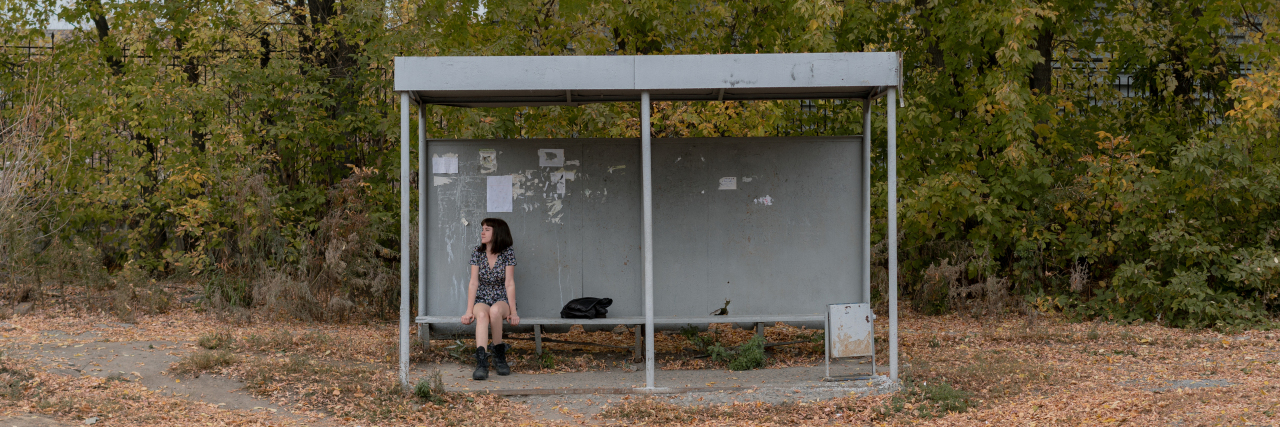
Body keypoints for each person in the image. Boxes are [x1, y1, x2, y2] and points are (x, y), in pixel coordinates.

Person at [460, 218, 520, 380]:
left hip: (501, 298)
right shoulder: (477, 253)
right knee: (481, 315)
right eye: (482, 229)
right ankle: (481, 362)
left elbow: (509, 283)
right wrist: (468, 311)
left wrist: (513, 312)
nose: (482, 232)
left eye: (487, 229)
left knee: (494, 311)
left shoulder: (508, 253)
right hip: (482, 297)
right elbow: (473, 283)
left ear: (498, 232)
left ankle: (499, 356)